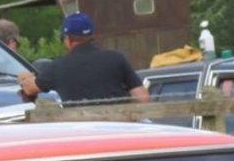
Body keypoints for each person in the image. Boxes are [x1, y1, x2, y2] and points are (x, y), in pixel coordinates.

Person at [17, 12, 149, 105]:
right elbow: (142, 97)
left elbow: (29, 89)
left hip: (82, 134)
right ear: (92, 36)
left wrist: (26, 78)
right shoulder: (116, 58)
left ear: (67, 39)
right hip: (117, 131)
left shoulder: (58, 67)